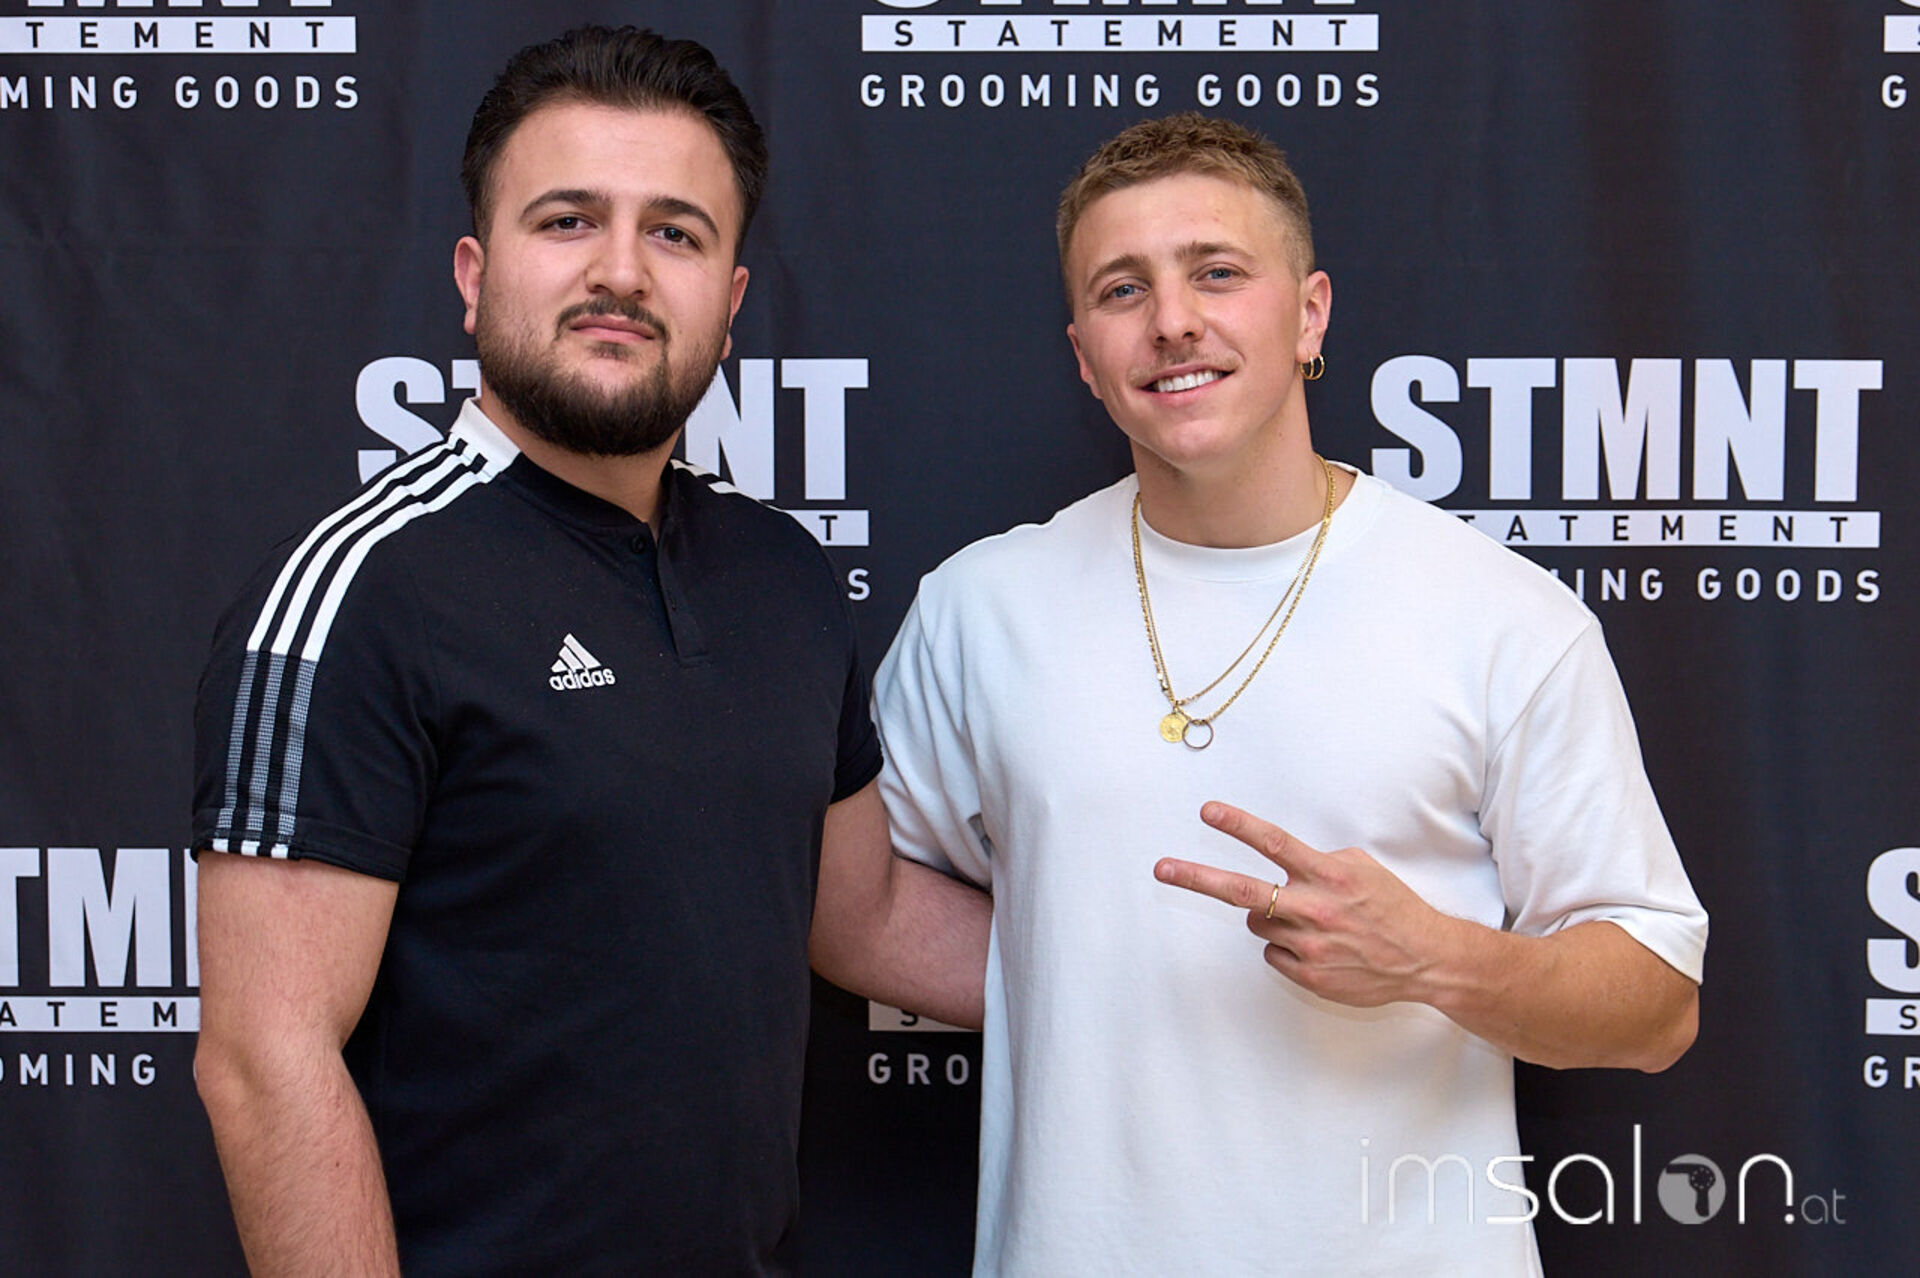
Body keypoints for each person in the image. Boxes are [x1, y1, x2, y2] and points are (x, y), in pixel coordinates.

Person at [191, 26, 985, 1276]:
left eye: (675, 233)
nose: (621, 270)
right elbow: (263, 1058)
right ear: (474, 273)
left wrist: (1159, 969)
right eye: (567, 221)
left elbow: (864, 916)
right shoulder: (365, 592)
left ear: (729, 301)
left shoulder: (783, 575)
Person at [873, 113, 1707, 1275]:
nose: (1173, 320)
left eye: (1217, 272)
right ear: (1083, 355)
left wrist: (1433, 958)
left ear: (1310, 314)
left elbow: (1659, 1005)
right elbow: (859, 899)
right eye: (1123, 289)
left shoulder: (1502, 617)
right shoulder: (980, 609)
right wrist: (1057, 973)